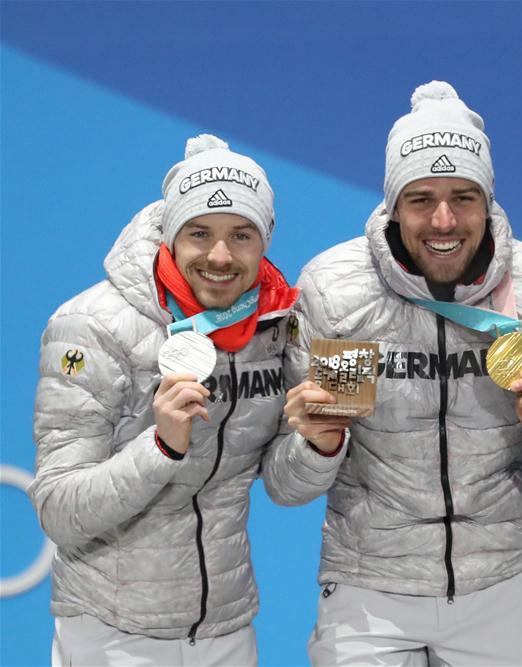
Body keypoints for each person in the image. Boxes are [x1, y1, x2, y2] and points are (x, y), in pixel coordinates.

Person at [261, 81, 522, 666]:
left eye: (463, 197)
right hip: (368, 588)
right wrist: (318, 447)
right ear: (393, 204)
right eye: (421, 198)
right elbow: (284, 486)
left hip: (502, 586)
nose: (443, 221)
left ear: (489, 200)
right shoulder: (337, 290)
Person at [29, 135, 301, 666]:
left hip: (226, 627)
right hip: (112, 632)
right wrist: (161, 448)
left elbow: (287, 488)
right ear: (170, 235)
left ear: (264, 240)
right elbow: (58, 510)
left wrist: (317, 442)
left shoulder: (275, 325)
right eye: (200, 233)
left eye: (240, 235)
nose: (220, 257)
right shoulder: (91, 327)